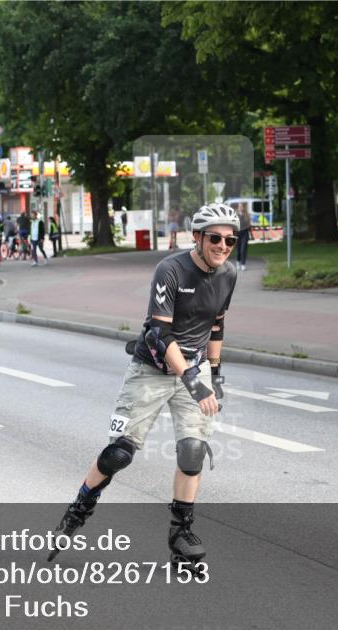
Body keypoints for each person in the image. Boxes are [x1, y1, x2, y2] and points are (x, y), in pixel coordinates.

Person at [49, 203, 240, 573]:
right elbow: (159, 333)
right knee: (119, 454)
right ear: (197, 237)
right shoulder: (171, 269)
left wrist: (215, 375)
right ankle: (78, 511)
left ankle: (181, 535)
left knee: (193, 451)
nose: (222, 246)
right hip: (152, 368)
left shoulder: (228, 274)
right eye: (215, 238)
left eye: (229, 240)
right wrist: (193, 382)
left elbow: (217, 323)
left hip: (195, 366)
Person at [235, 203, 252, 271]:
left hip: (245, 234)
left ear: (244, 208)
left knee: (243, 250)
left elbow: (249, 225)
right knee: (238, 251)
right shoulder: (235, 216)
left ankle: (243, 264)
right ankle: (238, 262)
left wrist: (249, 225)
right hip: (237, 234)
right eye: (239, 206)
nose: (240, 208)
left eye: (242, 206)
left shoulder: (247, 215)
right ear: (238, 208)